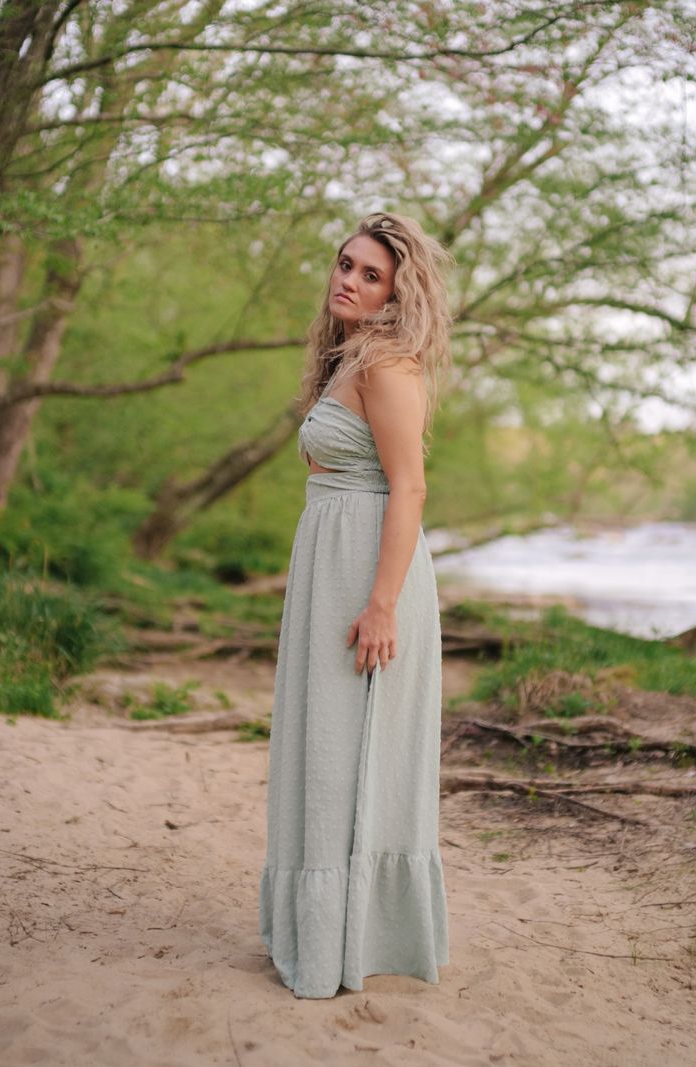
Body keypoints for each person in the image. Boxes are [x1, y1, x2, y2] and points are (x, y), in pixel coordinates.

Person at [258, 212, 453, 999]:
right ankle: (321, 932)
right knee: (323, 750)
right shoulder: (343, 361)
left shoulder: (389, 367)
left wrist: (382, 605)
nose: (349, 279)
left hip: (374, 575)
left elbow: (408, 486)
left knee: (356, 753)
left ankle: (362, 937)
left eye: (371, 274)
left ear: (396, 293)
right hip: (330, 566)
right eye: (345, 264)